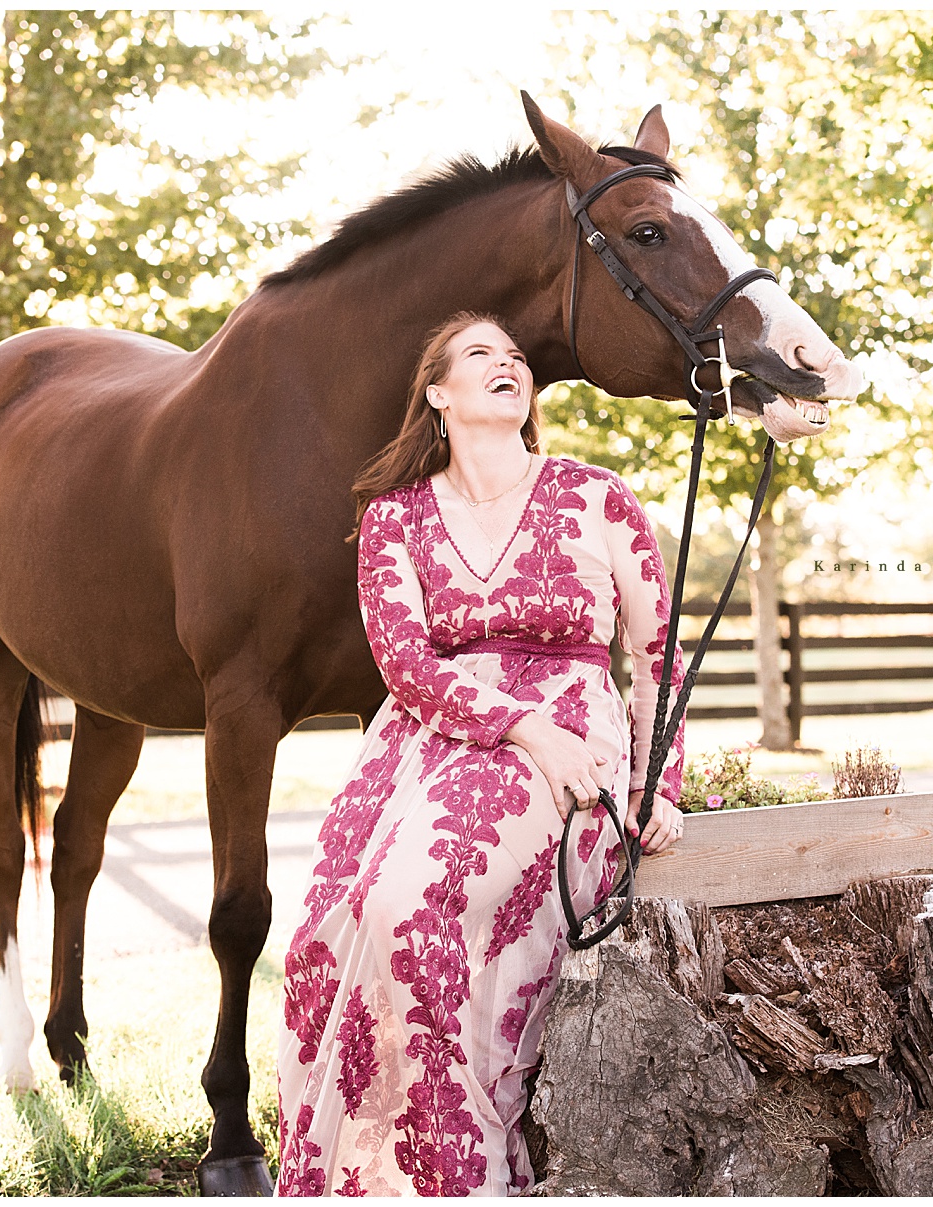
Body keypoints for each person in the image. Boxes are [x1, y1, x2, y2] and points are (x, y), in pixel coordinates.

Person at [276, 312, 686, 1196]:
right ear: (438, 394)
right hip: (433, 736)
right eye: (480, 356)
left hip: (572, 730)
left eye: (514, 357)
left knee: (413, 904)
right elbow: (405, 661)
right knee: (322, 931)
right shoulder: (395, 517)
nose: (508, 363)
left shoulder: (597, 496)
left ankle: (466, 1172)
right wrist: (520, 726)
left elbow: (658, 657)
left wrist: (661, 784)